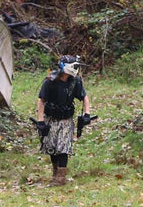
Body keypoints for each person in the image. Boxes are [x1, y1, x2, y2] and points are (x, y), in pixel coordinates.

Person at [35, 55, 91, 186]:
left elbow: (84, 97)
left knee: (63, 147)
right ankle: (55, 173)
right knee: (51, 147)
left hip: (66, 118)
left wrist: (87, 113)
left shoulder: (75, 82)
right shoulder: (50, 82)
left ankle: (61, 178)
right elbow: (41, 100)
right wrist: (41, 121)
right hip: (51, 118)